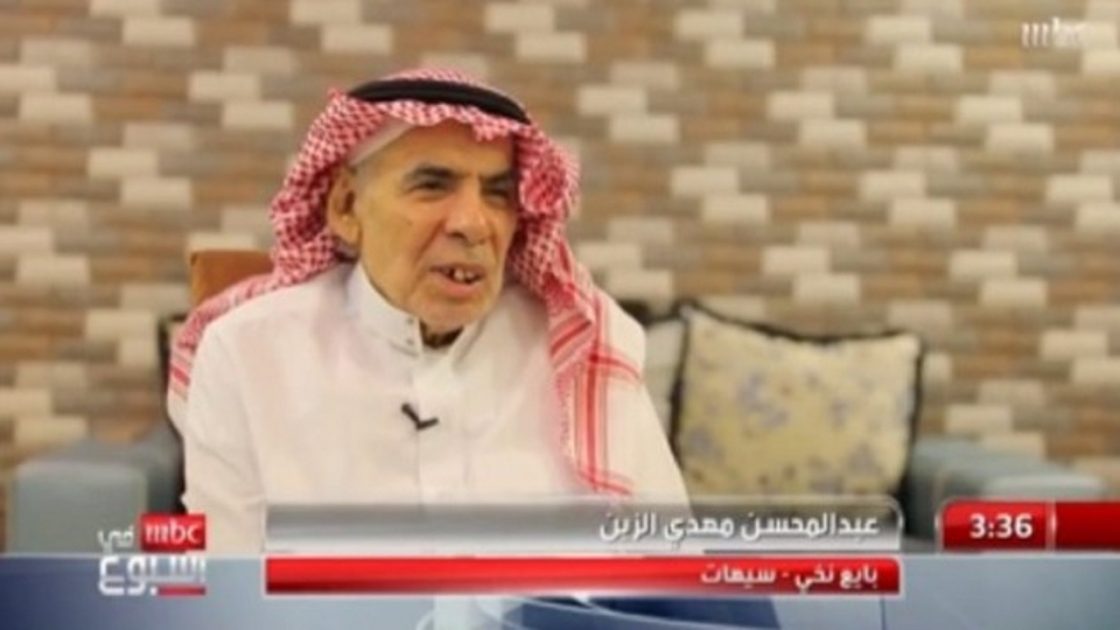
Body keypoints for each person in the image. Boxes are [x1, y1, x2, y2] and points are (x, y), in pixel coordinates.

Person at [167, 68, 687, 552]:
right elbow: (225, 586)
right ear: (346, 207)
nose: (473, 224)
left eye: (497, 194)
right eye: (432, 186)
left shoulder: (587, 348)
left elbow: (672, 566)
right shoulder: (247, 354)